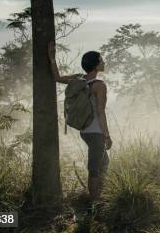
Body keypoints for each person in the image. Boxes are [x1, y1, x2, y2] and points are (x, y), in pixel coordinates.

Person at [48, 40, 112, 202]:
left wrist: (52, 58)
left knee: (104, 163)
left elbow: (57, 78)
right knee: (95, 168)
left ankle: (99, 197)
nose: (103, 62)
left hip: (84, 130)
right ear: (96, 65)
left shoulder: (79, 79)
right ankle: (95, 202)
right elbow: (100, 112)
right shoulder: (99, 85)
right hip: (96, 132)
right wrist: (107, 135)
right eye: (101, 60)